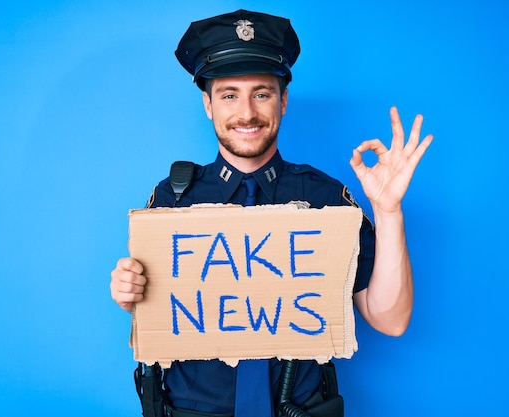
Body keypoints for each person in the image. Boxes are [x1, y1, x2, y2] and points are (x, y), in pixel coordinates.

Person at [110, 9, 433, 417]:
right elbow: (155, 301)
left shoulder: (326, 199)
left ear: (282, 100)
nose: (247, 112)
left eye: (261, 93)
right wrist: (130, 290)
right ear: (208, 105)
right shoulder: (172, 198)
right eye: (229, 95)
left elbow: (391, 320)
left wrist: (388, 212)